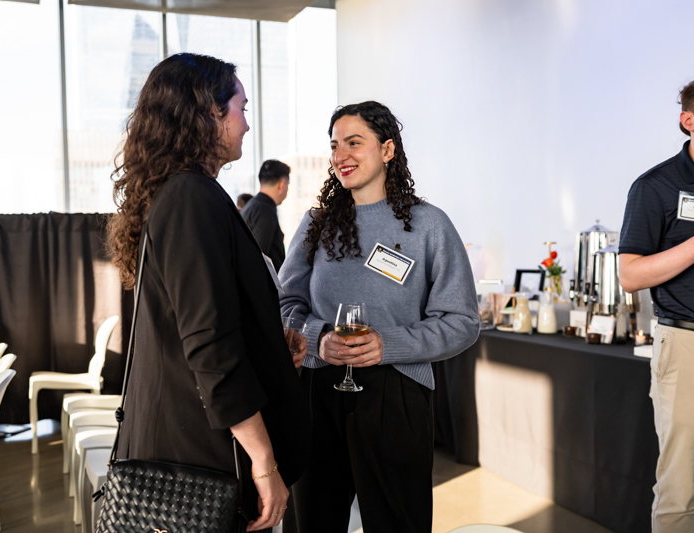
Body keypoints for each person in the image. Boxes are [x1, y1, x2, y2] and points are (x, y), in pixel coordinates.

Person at [105, 53, 309, 532]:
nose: (246, 124)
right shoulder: (191, 198)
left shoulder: (183, 195)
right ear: (207, 113)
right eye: (240, 107)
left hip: (190, 449)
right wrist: (264, 463)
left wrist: (268, 347)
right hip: (197, 463)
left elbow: (202, 323)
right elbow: (210, 348)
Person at [278, 101, 479, 532]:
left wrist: (390, 345)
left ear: (387, 150)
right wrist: (317, 338)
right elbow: (284, 305)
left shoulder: (428, 226)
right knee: (311, 522)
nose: (340, 156)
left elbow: (462, 320)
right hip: (319, 391)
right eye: (334, 145)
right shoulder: (316, 224)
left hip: (397, 395)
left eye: (354, 142)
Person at [619, 80, 694, 533]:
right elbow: (630, 274)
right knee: (681, 486)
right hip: (686, 343)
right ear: (689, 121)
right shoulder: (657, 186)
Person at [241, 160, 290, 271]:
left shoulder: (251, 206)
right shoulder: (265, 210)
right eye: (288, 185)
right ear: (281, 185)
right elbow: (258, 257)